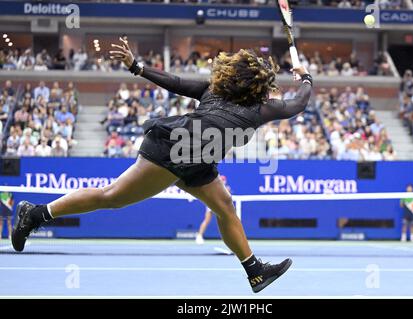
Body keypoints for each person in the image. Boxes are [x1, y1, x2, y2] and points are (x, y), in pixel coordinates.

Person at [12, 37, 312, 293]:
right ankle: (35, 214)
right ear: (255, 85)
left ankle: (255, 271)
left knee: (225, 207)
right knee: (112, 197)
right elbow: (297, 103)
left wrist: (138, 67)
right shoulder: (255, 106)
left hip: (198, 162)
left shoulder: (234, 98)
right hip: (173, 150)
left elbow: (177, 83)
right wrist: (306, 79)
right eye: (264, 80)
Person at [195, 175, 230, 245]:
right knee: (207, 220)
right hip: (211, 204)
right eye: (222, 180)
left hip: (221, 206)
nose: (223, 181)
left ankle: (229, 239)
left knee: (227, 221)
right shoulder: (215, 187)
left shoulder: (226, 188)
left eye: (224, 180)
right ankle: (199, 236)